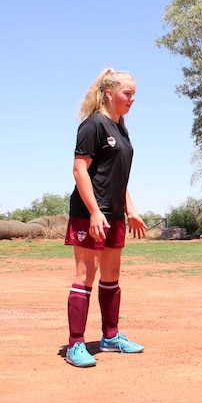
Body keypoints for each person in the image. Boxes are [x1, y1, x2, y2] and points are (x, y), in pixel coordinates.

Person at [63, 68, 148, 368]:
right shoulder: (93, 125)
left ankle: (110, 337)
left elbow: (118, 179)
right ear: (109, 92)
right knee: (85, 277)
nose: (132, 99)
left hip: (114, 216)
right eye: (128, 93)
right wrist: (95, 211)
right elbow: (79, 170)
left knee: (111, 278)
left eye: (134, 94)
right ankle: (76, 345)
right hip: (90, 214)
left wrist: (131, 210)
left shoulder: (121, 128)